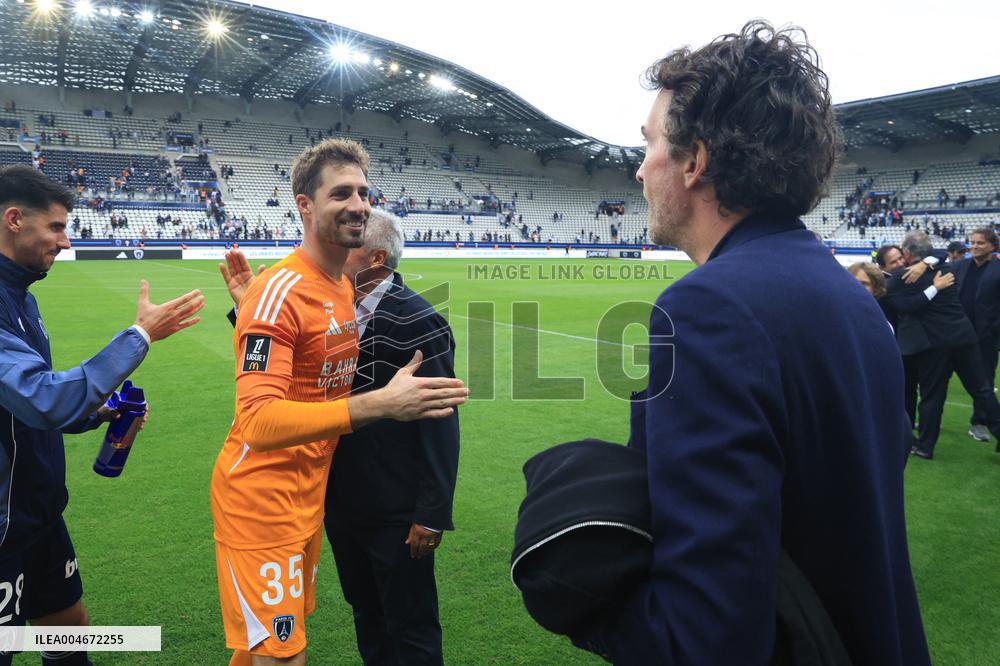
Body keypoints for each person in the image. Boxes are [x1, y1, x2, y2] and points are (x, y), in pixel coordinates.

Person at [575, 22, 929, 665]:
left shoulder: (708, 306)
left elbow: (707, 632)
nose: (638, 166)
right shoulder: (849, 294)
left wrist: (587, 607)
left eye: (649, 143)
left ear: (694, 160)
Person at [210, 139, 466, 666]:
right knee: (281, 653)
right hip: (263, 502)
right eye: (342, 193)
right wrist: (381, 403)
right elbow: (257, 421)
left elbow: (307, 359)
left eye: (364, 192)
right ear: (304, 204)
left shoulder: (339, 290)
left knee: (264, 645)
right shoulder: (283, 289)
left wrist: (252, 311)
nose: (358, 204)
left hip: (311, 498)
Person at [0, 165, 204, 665]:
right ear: (13, 220)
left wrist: (101, 409)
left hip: (39, 513)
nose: (66, 242)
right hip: (2, 526)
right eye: (55, 227)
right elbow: (42, 398)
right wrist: (139, 336)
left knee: (69, 632)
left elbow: (32, 408)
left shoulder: (20, 298)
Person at [328, 210, 458, 664]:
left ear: (376, 258)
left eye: (350, 244)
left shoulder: (420, 320)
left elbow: (441, 423)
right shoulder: (332, 307)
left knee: (412, 627)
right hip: (341, 503)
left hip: (397, 514)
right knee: (367, 615)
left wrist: (432, 513)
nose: (337, 250)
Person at [885, 231, 1000, 459]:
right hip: (963, 336)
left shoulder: (900, 278)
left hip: (934, 343)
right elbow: (940, 254)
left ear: (907, 254)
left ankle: (926, 446)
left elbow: (899, 299)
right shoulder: (944, 268)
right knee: (982, 390)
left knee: (932, 396)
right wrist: (928, 263)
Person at [949, 228, 1000, 442]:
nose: (975, 246)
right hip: (955, 334)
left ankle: (978, 422)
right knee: (938, 379)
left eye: (980, 243)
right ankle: (929, 422)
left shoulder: (998, 269)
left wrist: (992, 330)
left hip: (984, 338)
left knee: (984, 381)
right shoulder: (959, 266)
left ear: (992, 246)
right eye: (973, 242)